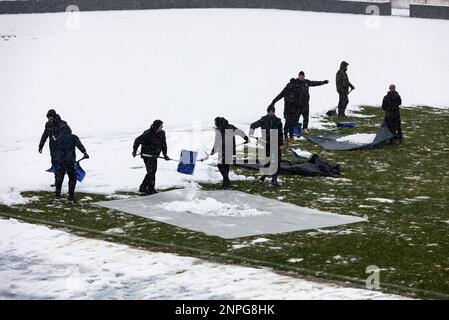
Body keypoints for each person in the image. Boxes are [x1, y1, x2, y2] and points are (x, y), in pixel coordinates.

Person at [132, 120, 170, 195]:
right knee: (151, 171)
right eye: (161, 126)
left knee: (151, 171)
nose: (162, 127)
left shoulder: (162, 133)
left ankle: (143, 187)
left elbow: (163, 144)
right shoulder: (147, 133)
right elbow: (137, 140)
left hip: (154, 155)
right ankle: (150, 189)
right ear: (156, 126)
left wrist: (165, 154)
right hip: (146, 155)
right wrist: (134, 151)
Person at [249, 106, 284, 187]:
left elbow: (280, 134)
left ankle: (274, 179)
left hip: (276, 143)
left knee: (277, 162)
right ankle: (264, 176)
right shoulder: (263, 120)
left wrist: (281, 144)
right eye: (270, 111)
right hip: (266, 143)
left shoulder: (278, 121)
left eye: (273, 111)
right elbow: (253, 125)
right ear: (268, 112)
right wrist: (251, 132)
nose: (272, 113)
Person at [210, 117, 249, 190]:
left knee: (220, 165)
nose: (216, 125)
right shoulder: (218, 130)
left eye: (217, 124)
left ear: (220, 123)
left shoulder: (230, 127)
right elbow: (217, 141)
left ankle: (226, 181)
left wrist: (245, 137)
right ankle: (226, 182)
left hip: (230, 149)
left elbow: (239, 132)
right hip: (222, 149)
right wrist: (213, 150)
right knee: (224, 165)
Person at [38, 109, 72, 185]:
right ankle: (57, 181)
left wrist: (59, 138)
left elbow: (69, 132)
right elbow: (45, 135)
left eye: (51, 116)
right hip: (53, 148)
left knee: (62, 164)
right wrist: (41, 146)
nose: (50, 118)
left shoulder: (61, 123)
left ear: (54, 116)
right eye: (48, 117)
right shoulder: (48, 125)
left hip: (61, 148)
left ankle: (69, 179)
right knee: (54, 163)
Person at [53, 133, 88, 203]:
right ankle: (71, 197)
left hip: (60, 161)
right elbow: (79, 145)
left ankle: (57, 196)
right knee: (72, 179)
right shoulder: (73, 137)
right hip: (70, 162)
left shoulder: (58, 137)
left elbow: (54, 149)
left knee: (59, 178)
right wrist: (84, 152)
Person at [269, 78, 301, 144]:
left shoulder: (287, 88)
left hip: (287, 109)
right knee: (291, 123)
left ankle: (286, 137)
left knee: (287, 123)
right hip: (292, 109)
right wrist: (299, 107)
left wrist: (274, 101)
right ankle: (291, 138)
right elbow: (298, 100)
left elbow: (280, 95)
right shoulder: (295, 88)